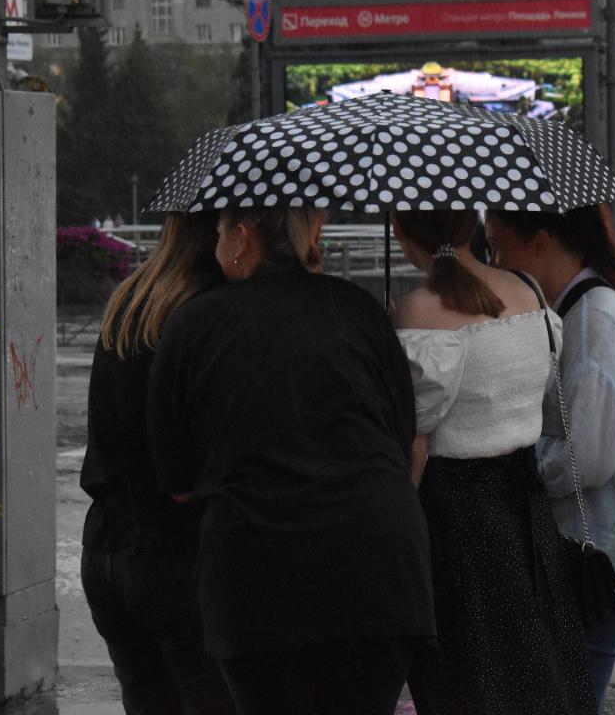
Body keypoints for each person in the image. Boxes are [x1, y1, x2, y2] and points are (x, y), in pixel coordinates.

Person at [147, 205, 434, 715]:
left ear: (242, 235)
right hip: (380, 575)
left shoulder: (193, 326)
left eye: (217, 232)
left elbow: (178, 482)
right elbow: (401, 439)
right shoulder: (360, 310)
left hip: (259, 581)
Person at [391, 210, 596, 715]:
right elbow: (545, 395)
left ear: (401, 232)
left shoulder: (419, 309)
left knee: (469, 670)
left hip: (454, 516)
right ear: (471, 226)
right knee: (536, 662)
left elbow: (417, 441)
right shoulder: (529, 291)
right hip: (527, 508)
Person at [486, 205, 615, 715]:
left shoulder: (594, 327)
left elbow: (585, 459)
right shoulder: (586, 312)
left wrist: (514, 448)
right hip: (604, 556)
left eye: (501, 246)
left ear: (540, 241)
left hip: (593, 561)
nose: (497, 261)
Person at [79, 212, 235, 715]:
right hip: (176, 554)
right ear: (222, 230)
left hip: (106, 547)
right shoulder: (205, 313)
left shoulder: (129, 300)